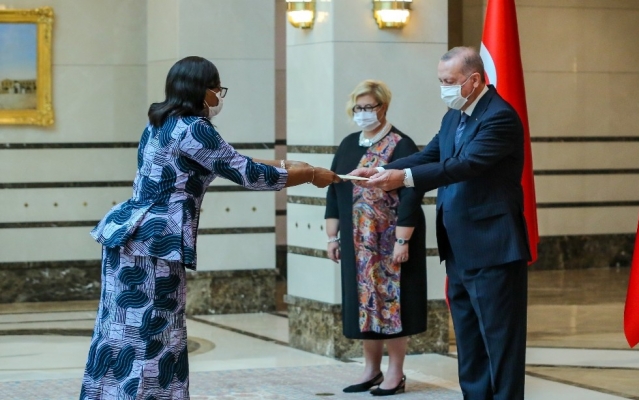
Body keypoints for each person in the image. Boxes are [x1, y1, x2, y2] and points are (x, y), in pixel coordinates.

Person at [79, 56, 340, 400]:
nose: (219, 96)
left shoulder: (161, 121)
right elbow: (246, 173)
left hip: (127, 236)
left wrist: (287, 164)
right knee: (152, 336)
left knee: (118, 332)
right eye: (217, 88)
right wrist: (308, 175)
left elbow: (226, 160)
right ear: (201, 90)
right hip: (157, 243)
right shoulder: (195, 128)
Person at [351, 47, 531, 400]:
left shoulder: (500, 117)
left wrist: (403, 179)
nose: (443, 88)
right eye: (440, 81)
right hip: (459, 246)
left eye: (449, 81)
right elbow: (430, 155)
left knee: (500, 343)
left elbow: (465, 165)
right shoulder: (454, 116)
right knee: (469, 340)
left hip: (493, 247)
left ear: (474, 80)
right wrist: (382, 169)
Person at [325, 80, 427, 396]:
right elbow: (334, 191)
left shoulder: (401, 145)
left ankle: (395, 373)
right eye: (358, 108)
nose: (362, 113)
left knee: (393, 305)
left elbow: (412, 196)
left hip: (391, 242)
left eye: (368, 107)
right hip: (358, 244)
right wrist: (332, 237)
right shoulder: (348, 145)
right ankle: (371, 370)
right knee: (365, 304)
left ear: (383, 107)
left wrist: (402, 240)